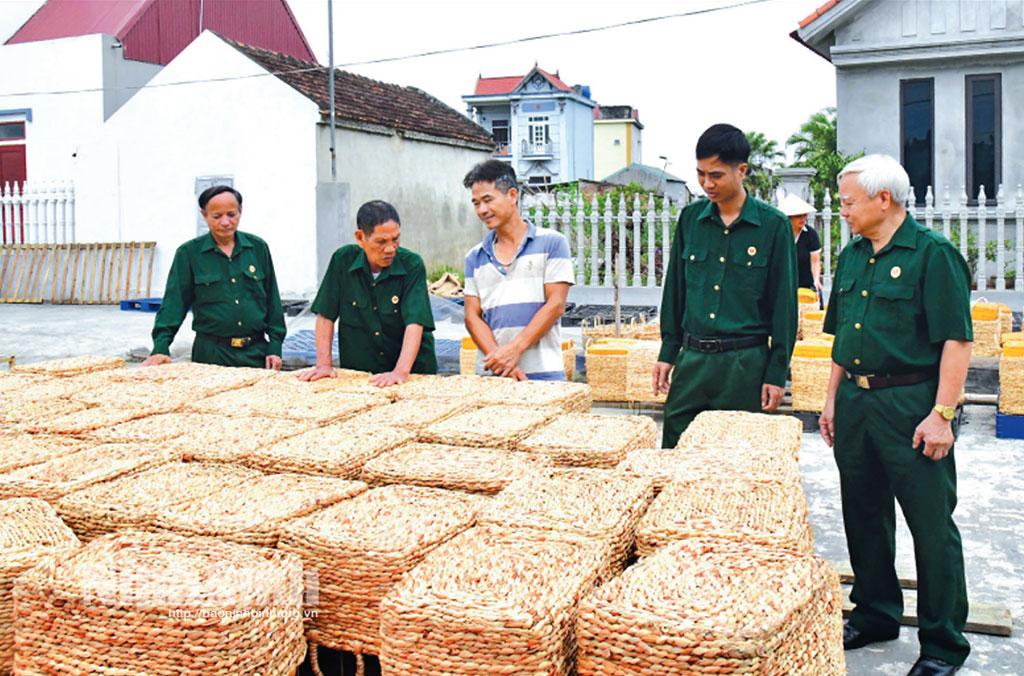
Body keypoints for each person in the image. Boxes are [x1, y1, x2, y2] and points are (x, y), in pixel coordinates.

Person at [819, 155, 972, 676]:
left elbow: (956, 340)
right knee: (863, 515)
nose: (842, 210)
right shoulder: (853, 257)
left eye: (848, 201)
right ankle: (877, 613)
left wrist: (943, 415)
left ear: (883, 199)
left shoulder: (934, 256)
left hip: (912, 405)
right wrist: (832, 398)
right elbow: (842, 340)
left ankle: (943, 644)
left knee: (931, 526)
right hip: (859, 405)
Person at [652, 123, 797, 448]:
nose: (706, 183)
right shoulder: (691, 220)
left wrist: (776, 373)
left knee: (737, 461)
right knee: (677, 455)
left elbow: (784, 309)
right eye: (701, 174)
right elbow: (675, 292)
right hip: (693, 364)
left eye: (715, 175)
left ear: (742, 170)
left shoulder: (773, 227)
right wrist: (667, 353)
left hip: (744, 367)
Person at [143, 185, 285, 369]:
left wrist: (275, 346)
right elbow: (173, 304)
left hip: (256, 352)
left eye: (231, 214)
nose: (225, 222)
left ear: (240, 212)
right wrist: (161, 347)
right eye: (217, 216)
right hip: (211, 353)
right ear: (204, 215)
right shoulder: (189, 254)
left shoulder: (257, 248)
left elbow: (272, 300)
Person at [299, 200, 436, 386]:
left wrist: (399, 372)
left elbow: (415, 323)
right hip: (361, 374)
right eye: (381, 242)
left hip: (411, 372)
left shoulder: (411, 265)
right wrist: (323, 365)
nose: (390, 249)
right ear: (360, 237)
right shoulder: (343, 261)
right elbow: (325, 315)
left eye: (395, 240)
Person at [462, 160, 574, 380]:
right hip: (494, 375)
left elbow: (556, 305)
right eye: (476, 203)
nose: (482, 210)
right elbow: (472, 316)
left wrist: (515, 350)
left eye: (488, 200)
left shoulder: (552, 243)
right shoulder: (474, 257)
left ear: (512, 195)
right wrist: (501, 360)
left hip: (544, 374)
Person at [779, 192, 823, 304]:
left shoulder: (811, 234)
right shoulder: (779, 234)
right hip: (783, 284)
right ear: (789, 217)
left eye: (805, 215)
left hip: (805, 285)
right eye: (799, 216)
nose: (803, 219)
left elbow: (815, 261)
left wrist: (816, 280)